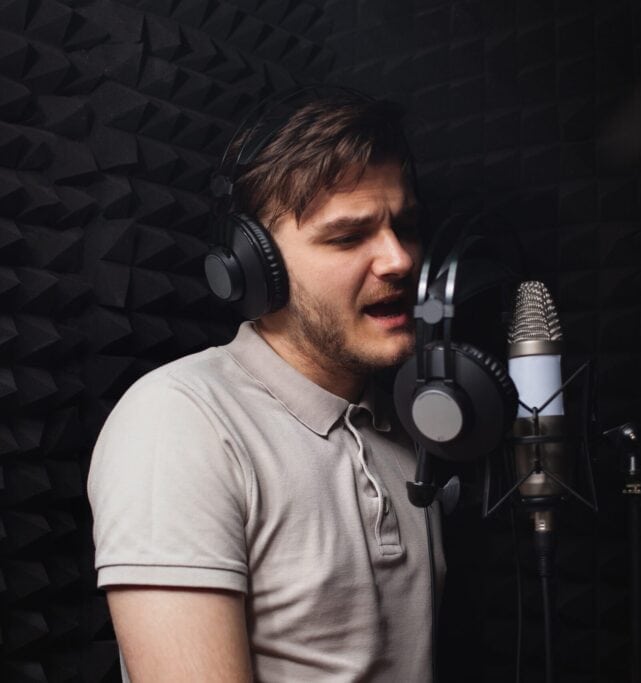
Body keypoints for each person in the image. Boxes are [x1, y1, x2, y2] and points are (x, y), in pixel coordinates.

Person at [87, 91, 442, 682]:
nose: (400, 260)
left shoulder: (404, 423)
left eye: (403, 226)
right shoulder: (179, 425)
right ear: (252, 265)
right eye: (349, 237)